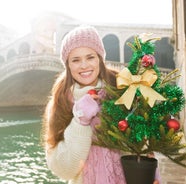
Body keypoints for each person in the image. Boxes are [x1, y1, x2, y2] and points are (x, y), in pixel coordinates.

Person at [41, 25, 160, 184]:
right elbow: (63, 170)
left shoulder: (122, 88)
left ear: (100, 58)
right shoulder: (60, 101)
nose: (84, 65)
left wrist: (153, 175)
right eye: (75, 60)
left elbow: (142, 142)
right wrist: (80, 121)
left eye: (90, 57)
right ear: (68, 65)